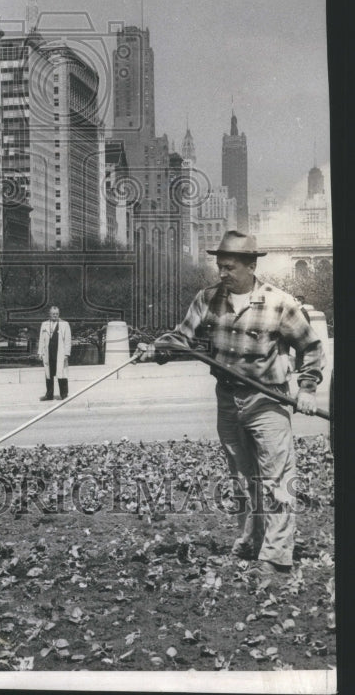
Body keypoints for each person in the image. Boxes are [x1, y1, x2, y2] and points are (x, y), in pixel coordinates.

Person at [140, 231, 325, 586]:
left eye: (230, 267)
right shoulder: (208, 299)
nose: (223, 273)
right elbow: (183, 338)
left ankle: (277, 561)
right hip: (227, 398)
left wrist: (307, 388)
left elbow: (312, 347)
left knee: (277, 478)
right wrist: (154, 350)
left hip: (268, 399)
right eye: (220, 266)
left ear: (251, 266)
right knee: (242, 478)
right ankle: (251, 541)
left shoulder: (279, 303)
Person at [38, 306, 72, 400]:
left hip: (60, 353)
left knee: (62, 374)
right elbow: (41, 339)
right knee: (48, 375)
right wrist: (40, 352)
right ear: (49, 314)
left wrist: (66, 353)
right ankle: (49, 395)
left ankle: (64, 394)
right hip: (48, 353)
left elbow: (68, 340)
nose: (55, 315)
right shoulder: (44, 324)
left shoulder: (65, 324)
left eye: (57, 314)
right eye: (53, 314)